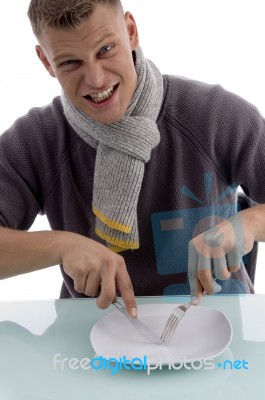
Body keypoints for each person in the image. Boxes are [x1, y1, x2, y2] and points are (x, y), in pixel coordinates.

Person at [0, 0, 265, 317]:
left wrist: (251, 222)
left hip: (223, 335)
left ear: (130, 31)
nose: (96, 79)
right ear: (46, 62)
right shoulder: (38, 140)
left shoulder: (215, 116)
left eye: (105, 49)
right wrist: (61, 246)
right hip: (91, 343)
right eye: (70, 62)